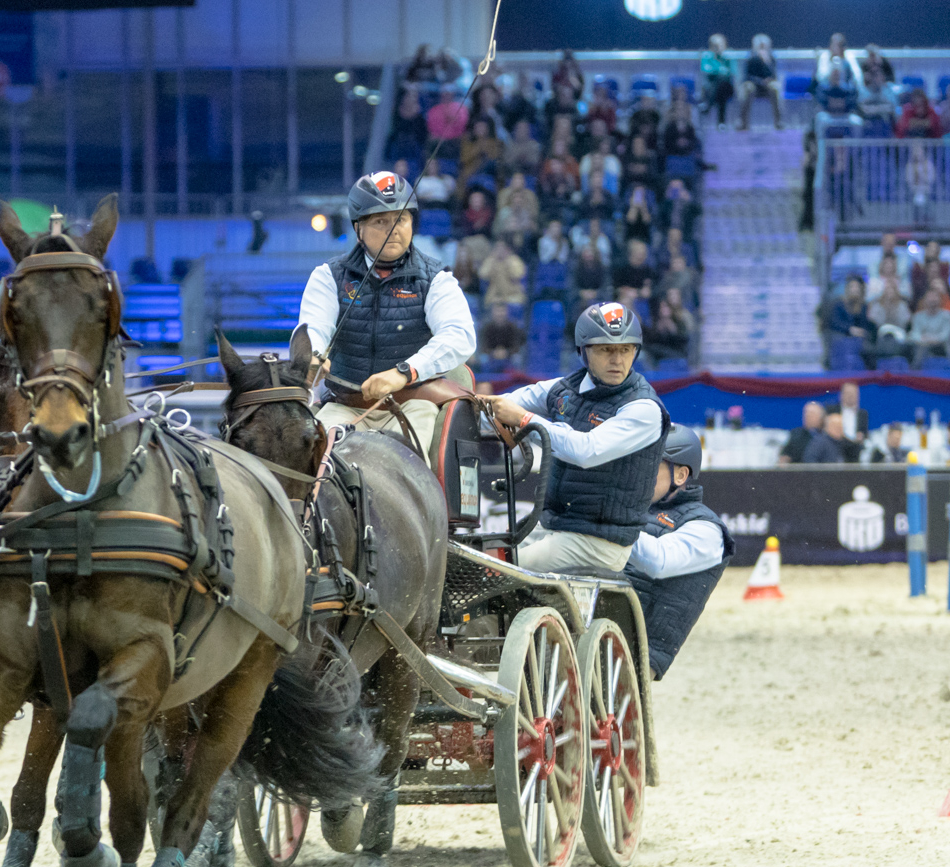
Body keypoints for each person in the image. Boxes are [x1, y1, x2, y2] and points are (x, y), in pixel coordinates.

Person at [299, 171, 476, 453]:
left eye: (401, 219)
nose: (393, 229)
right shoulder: (327, 276)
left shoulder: (437, 279)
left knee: (406, 462)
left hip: (412, 405)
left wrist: (404, 372)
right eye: (380, 221)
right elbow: (314, 328)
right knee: (314, 459)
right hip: (345, 406)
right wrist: (312, 355)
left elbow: (459, 336)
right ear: (358, 229)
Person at [487, 302, 670, 572]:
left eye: (626, 349)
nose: (617, 360)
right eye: (606, 349)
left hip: (599, 542)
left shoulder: (644, 408)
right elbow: (500, 407)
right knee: (482, 556)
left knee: (495, 569)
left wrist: (523, 421)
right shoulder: (563, 388)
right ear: (583, 351)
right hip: (556, 526)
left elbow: (586, 451)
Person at [623, 426, 734, 678]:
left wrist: (608, 524)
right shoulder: (631, 508)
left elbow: (659, 561)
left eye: (651, 465)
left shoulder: (707, 529)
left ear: (681, 475)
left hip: (637, 645)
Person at [739, 34, 784, 131]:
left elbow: (773, 76)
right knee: (748, 88)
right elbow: (747, 76)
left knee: (775, 88)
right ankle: (743, 122)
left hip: (767, 87)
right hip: (754, 85)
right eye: (760, 47)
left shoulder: (771, 59)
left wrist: (766, 63)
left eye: (764, 47)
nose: (762, 49)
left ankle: (778, 121)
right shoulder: (750, 58)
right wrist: (760, 81)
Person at [828, 277, 875, 366]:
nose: (855, 290)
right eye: (852, 287)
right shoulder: (839, 304)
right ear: (847, 289)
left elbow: (865, 325)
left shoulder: (864, 307)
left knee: (868, 346)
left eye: (857, 287)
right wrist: (850, 329)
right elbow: (835, 323)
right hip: (842, 336)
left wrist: (861, 331)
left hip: (860, 339)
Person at [909, 288, 950, 368]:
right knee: (918, 346)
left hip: (941, 345)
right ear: (924, 300)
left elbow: (946, 334)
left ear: (940, 300)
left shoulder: (947, 315)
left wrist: (932, 339)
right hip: (923, 344)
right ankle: (915, 369)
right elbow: (915, 333)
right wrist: (923, 339)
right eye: (930, 298)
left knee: (948, 345)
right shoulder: (917, 317)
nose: (932, 300)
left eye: (935, 297)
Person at [699, 34, 737, 128]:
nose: (717, 48)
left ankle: (708, 105)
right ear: (711, 47)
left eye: (720, 45)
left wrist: (716, 70)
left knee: (722, 83)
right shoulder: (707, 56)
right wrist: (721, 70)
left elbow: (732, 71)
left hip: (727, 88)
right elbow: (705, 70)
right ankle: (721, 122)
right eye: (715, 46)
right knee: (721, 89)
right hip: (713, 88)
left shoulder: (729, 56)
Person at [828, 381, 871, 446]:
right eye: (848, 393)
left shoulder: (863, 414)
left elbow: (865, 433)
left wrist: (862, 436)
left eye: (853, 394)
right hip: (835, 445)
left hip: (856, 446)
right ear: (841, 395)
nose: (850, 396)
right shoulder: (832, 410)